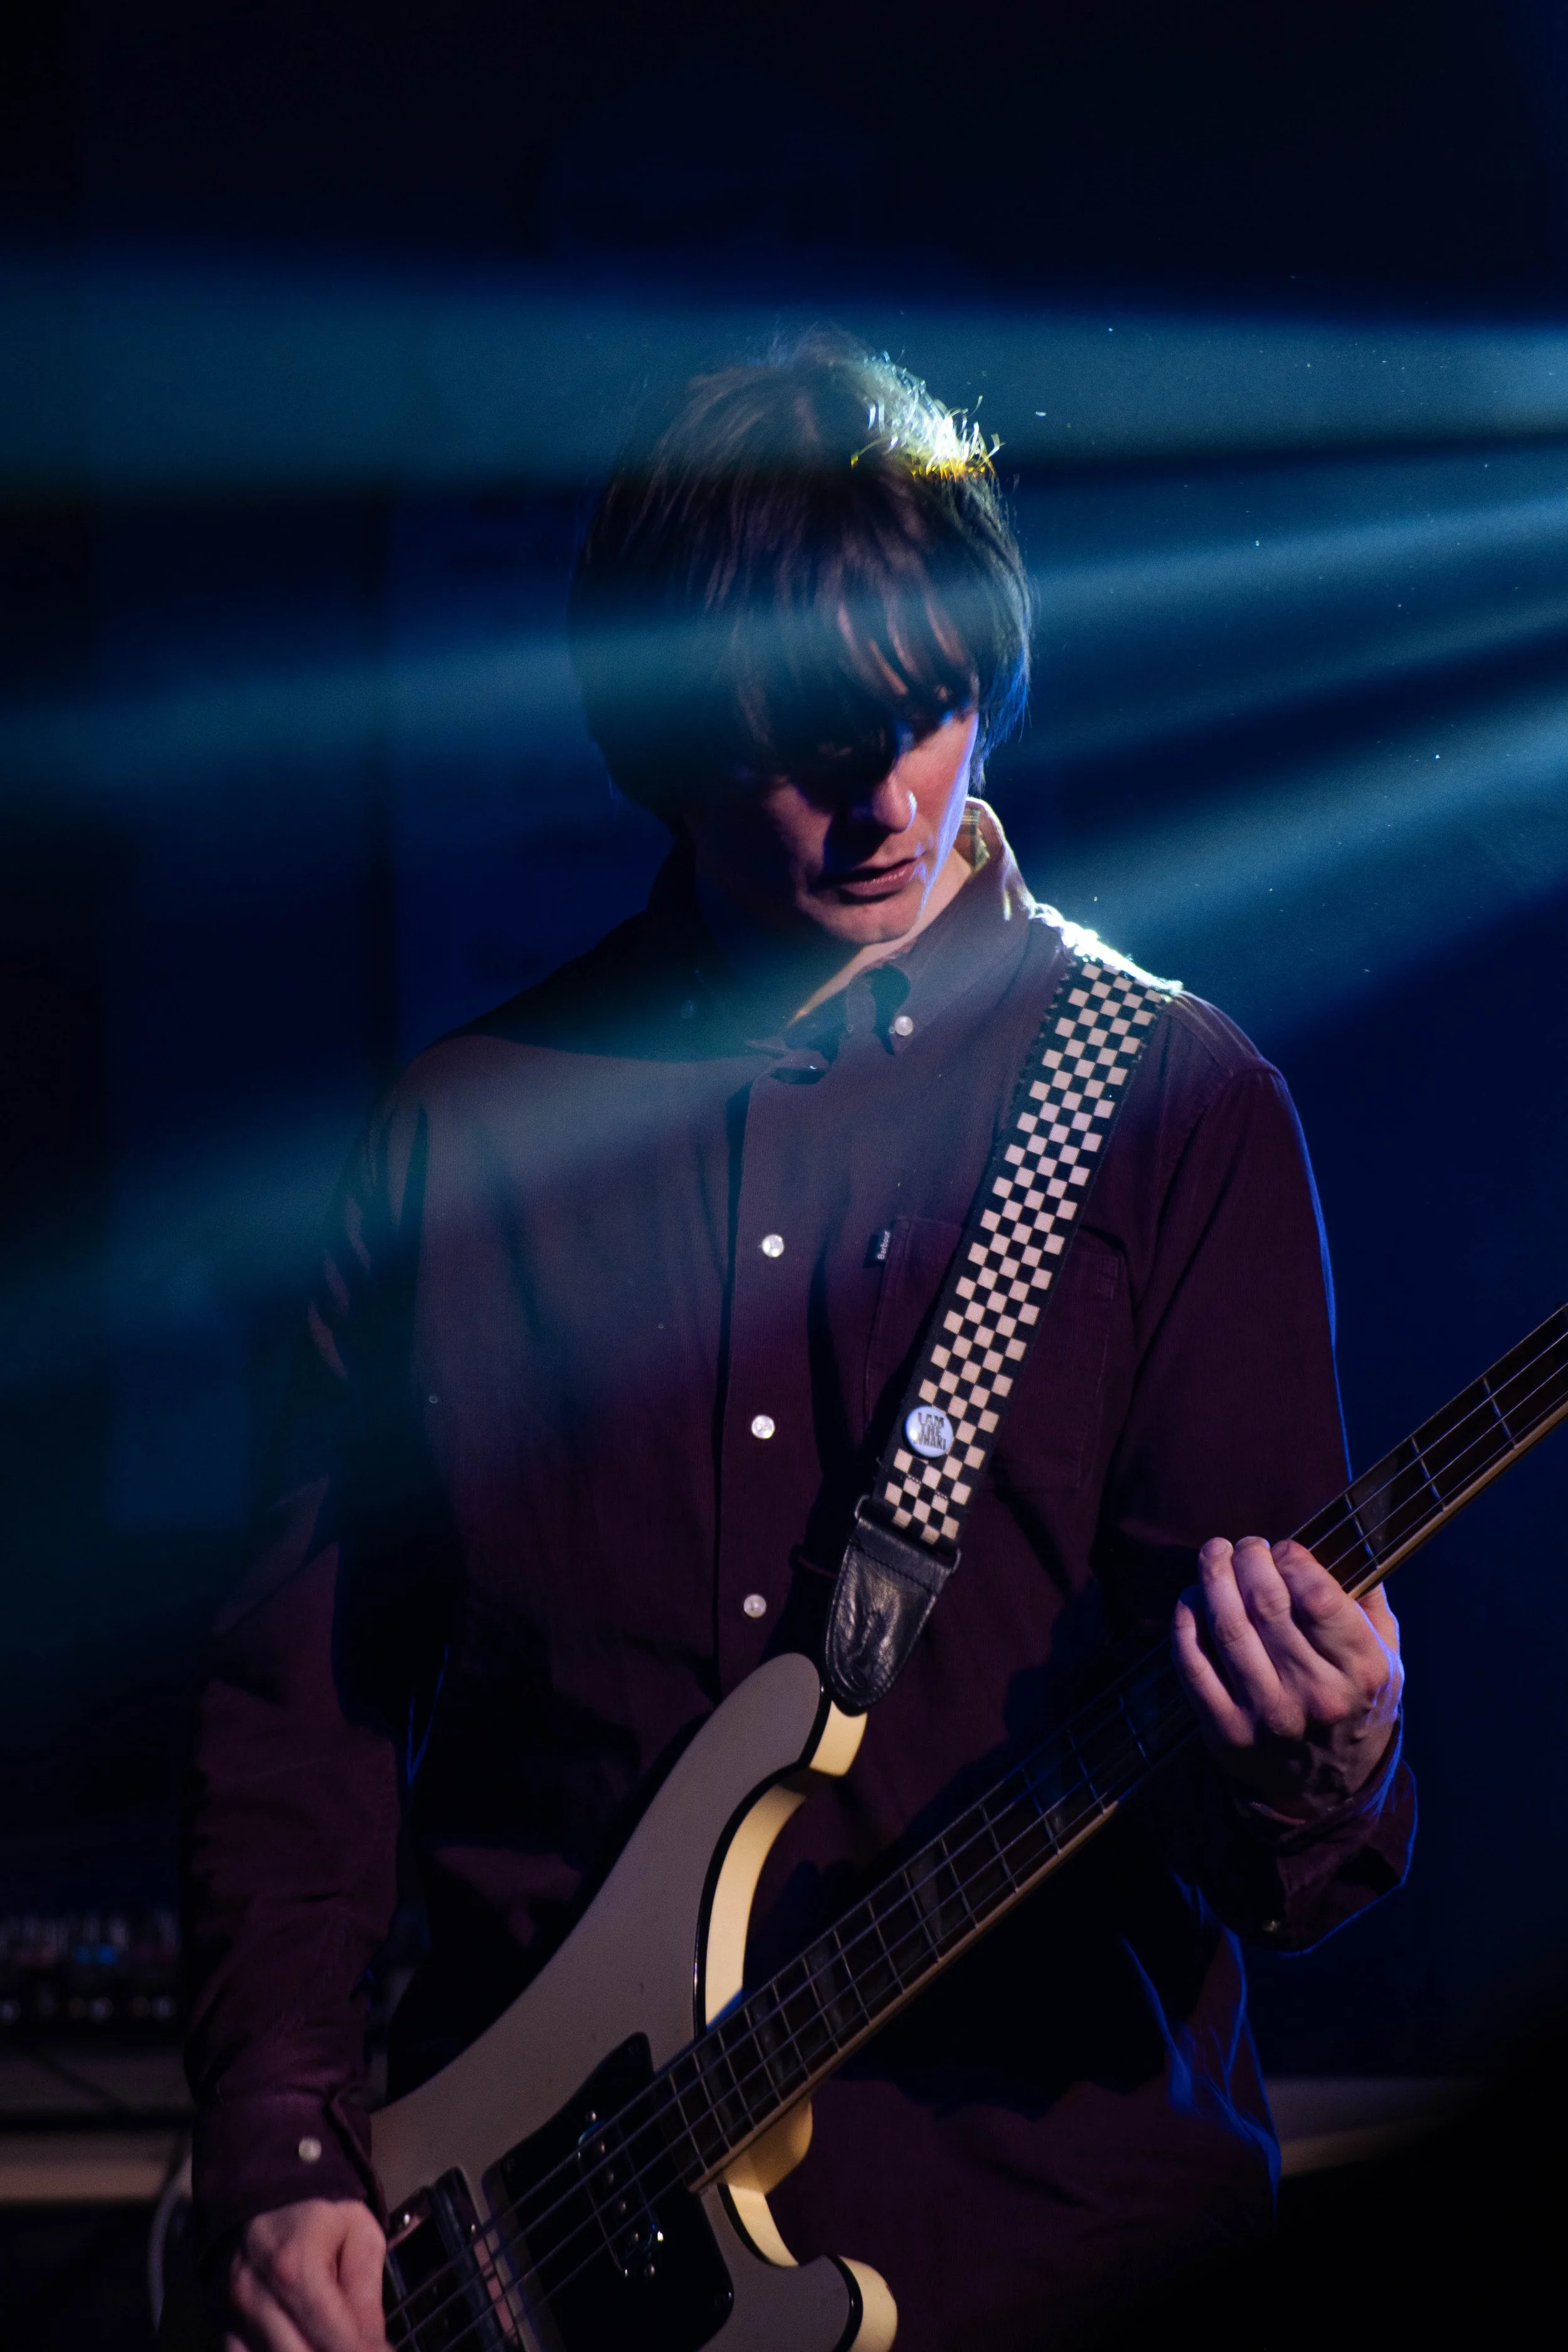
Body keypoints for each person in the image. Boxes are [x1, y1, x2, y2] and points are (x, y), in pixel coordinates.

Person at [183, 337, 1412, 2352]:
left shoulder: (1174, 1110)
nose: (880, 800)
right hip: (526, 2264)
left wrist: (1329, 1745)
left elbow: (1276, 1847)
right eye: (794, 743)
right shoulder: (469, 1136)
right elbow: (297, 1716)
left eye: (924, 707)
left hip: (1050, 2243)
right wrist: (286, 2152)